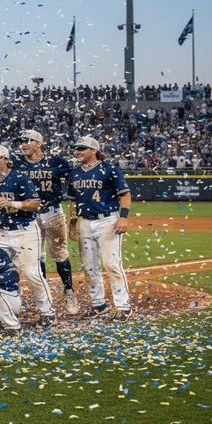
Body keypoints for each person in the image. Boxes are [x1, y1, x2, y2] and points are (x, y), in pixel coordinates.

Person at [0, 145, 57, 327]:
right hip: (1, 232)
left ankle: (47, 313)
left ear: (5, 159)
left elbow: (35, 203)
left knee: (31, 272)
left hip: (25, 229)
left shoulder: (20, 178)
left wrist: (14, 203)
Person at [13, 129, 80, 316]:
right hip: (28, 216)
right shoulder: (16, 162)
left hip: (52, 213)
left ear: (39, 144)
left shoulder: (56, 161)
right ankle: (45, 295)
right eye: (21, 141)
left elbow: (74, 180)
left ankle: (69, 292)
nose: (23, 144)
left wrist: (74, 215)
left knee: (60, 255)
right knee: (37, 257)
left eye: (28, 141)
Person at [67, 136, 132, 320]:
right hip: (85, 223)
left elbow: (126, 195)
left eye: (82, 148)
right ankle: (98, 304)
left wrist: (123, 218)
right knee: (89, 266)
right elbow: (73, 202)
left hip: (107, 221)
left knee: (112, 264)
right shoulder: (75, 173)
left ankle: (123, 305)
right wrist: (72, 223)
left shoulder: (109, 169)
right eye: (76, 148)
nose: (77, 151)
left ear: (94, 150)